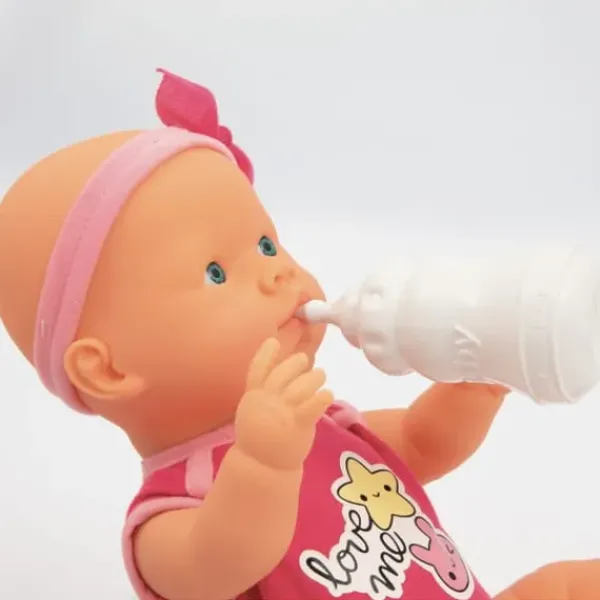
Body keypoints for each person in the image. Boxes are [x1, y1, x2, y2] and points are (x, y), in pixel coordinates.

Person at [0, 69, 596, 600]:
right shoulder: (168, 516)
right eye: (216, 272)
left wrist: (479, 377)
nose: (278, 272)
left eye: (267, 243)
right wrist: (263, 463)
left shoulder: (326, 427)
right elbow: (220, 560)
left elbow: (422, 442)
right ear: (108, 369)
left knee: (569, 584)